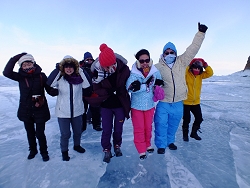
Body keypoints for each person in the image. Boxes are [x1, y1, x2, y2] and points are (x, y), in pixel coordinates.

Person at [154, 22, 208, 154]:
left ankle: (170, 141)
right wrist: (156, 83)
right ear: (163, 54)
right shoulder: (157, 67)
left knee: (173, 125)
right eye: (167, 52)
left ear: (175, 53)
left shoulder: (182, 62)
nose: (169, 54)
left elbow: (193, 48)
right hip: (164, 102)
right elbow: (148, 79)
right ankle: (161, 145)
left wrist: (200, 34)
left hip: (179, 101)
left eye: (172, 52)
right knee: (161, 124)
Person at [3, 53, 58, 162]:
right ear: (21, 67)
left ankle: (44, 152)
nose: (27, 66)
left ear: (33, 63)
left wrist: (54, 91)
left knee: (40, 133)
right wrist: (15, 58)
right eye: (24, 65)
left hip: (40, 109)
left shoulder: (41, 76)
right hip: (26, 109)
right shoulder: (20, 77)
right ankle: (33, 150)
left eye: (29, 63)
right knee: (30, 133)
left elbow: (48, 89)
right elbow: (6, 72)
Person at [85, 43, 130, 163]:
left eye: (109, 65)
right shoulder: (97, 72)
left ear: (114, 61)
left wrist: (125, 89)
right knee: (106, 129)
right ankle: (106, 149)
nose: (107, 69)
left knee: (118, 128)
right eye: (105, 67)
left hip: (120, 105)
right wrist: (106, 91)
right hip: (106, 105)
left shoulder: (124, 69)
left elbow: (130, 81)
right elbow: (96, 87)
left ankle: (117, 146)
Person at [47, 55, 92, 161]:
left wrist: (80, 70)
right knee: (65, 134)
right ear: (63, 68)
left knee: (77, 132)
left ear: (75, 68)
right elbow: (49, 83)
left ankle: (77, 146)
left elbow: (87, 85)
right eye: (66, 66)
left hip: (77, 111)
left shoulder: (80, 79)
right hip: (63, 112)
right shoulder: (60, 79)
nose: (68, 68)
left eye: (71, 66)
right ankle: (64, 151)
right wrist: (58, 69)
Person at [126, 49, 164, 160]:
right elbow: (129, 88)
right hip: (136, 107)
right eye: (142, 61)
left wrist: (157, 85)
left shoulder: (154, 71)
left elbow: (159, 82)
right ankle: (141, 149)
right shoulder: (134, 73)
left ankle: (148, 144)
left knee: (148, 127)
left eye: (146, 60)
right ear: (138, 61)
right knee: (139, 128)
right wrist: (145, 86)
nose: (145, 63)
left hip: (150, 105)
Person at [182, 58, 213, 141]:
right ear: (192, 67)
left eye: (198, 68)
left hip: (196, 102)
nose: (196, 70)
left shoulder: (201, 75)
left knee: (199, 118)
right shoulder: (187, 74)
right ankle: (185, 135)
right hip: (186, 102)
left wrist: (205, 64)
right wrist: (189, 63)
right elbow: (183, 71)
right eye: (195, 67)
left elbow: (210, 73)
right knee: (187, 119)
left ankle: (193, 133)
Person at [79, 52, 102, 132]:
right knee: (83, 111)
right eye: (87, 59)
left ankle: (97, 124)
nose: (89, 61)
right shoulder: (80, 68)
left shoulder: (96, 67)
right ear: (84, 60)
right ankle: (82, 126)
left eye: (90, 59)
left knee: (96, 110)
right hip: (83, 94)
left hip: (93, 93)